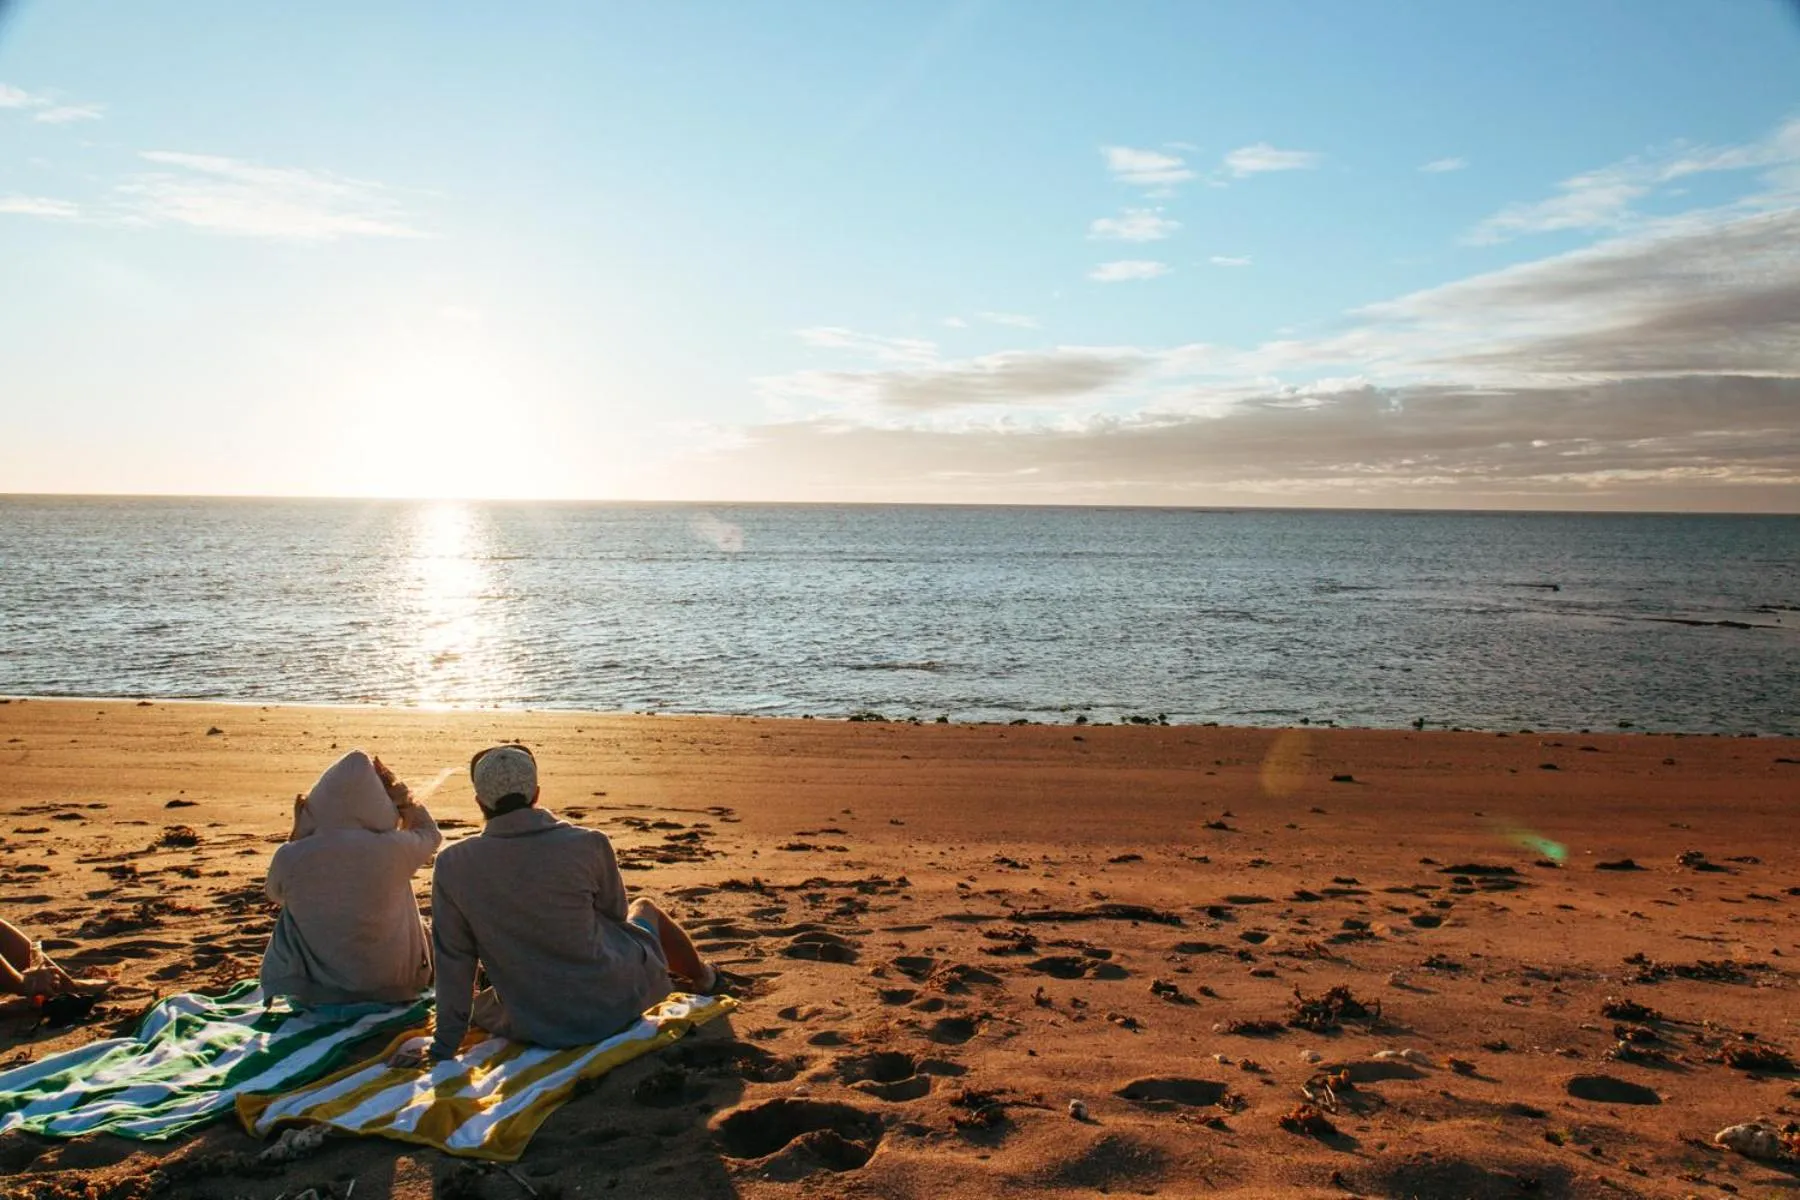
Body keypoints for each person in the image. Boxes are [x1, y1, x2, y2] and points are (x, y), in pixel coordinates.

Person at [399, 744, 719, 1066]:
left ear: (480, 802)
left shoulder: (453, 864)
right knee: (644, 909)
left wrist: (443, 1048)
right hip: (614, 1005)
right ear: (536, 794)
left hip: (535, 1023)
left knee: (488, 998)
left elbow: (455, 961)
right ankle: (704, 977)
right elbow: (616, 914)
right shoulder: (588, 842)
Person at [260, 750, 441, 1006]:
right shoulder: (394, 847)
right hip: (394, 987)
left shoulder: (291, 855)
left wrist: (302, 837)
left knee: (292, 913)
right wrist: (400, 793)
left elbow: (275, 894)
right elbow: (431, 834)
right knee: (420, 925)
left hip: (317, 992)